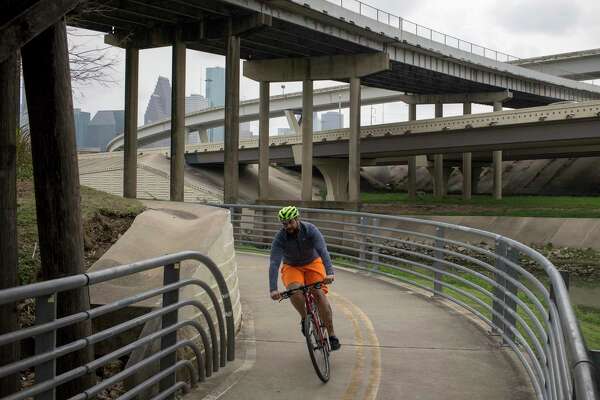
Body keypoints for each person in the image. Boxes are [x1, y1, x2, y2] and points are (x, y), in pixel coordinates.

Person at [269, 206, 341, 351]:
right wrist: (273, 289)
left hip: (313, 263)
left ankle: (332, 335)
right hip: (292, 266)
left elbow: (322, 250)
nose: (287, 226)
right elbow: (274, 262)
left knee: (319, 295)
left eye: (290, 222)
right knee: (294, 290)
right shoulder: (280, 238)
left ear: (297, 219)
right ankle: (304, 318)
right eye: (284, 224)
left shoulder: (311, 230)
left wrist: (330, 272)